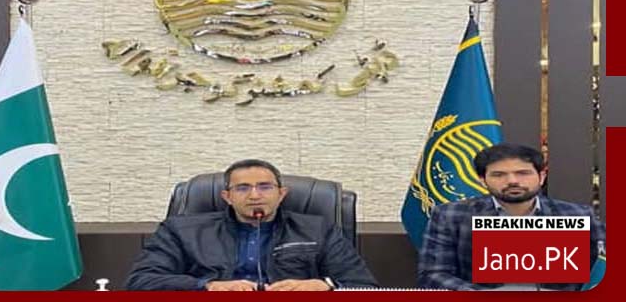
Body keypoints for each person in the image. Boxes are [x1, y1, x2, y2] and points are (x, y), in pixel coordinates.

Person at [126, 159, 378, 291]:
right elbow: (141, 281)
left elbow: (364, 286)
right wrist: (208, 286)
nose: (255, 195)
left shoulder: (318, 229)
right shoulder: (181, 231)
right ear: (227, 196)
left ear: (281, 194)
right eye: (243, 188)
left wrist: (325, 285)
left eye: (265, 187)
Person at [417, 143, 606, 291]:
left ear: (541, 176)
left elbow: (603, 268)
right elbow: (433, 275)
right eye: (499, 175)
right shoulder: (451, 215)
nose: (512, 181)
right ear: (482, 180)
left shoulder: (578, 215)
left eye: (523, 173)